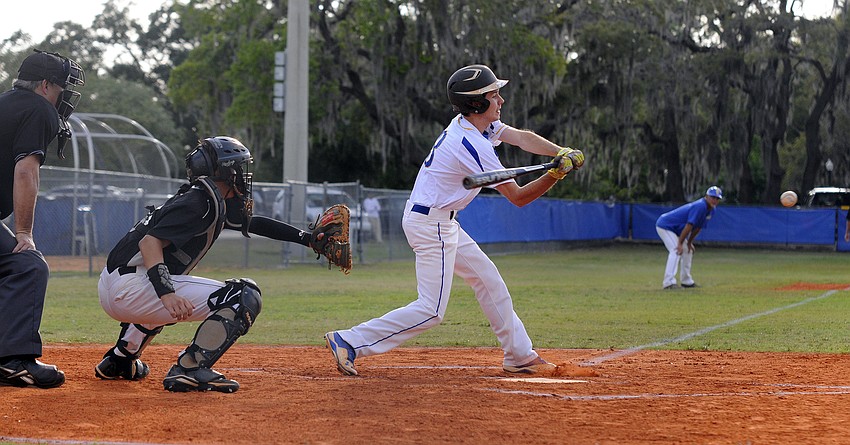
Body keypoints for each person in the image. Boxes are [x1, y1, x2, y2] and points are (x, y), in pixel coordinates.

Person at [323, 64, 584, 376]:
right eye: (494, 96)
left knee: (489, 281)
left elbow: (520, 138)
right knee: (431, 310)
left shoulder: (475, 125)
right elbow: (518, 197)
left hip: (441, 222)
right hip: (430, 225)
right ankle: (350, 341)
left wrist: (560, 152)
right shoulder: (471, 144)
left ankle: (518, 355)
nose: (501, 100)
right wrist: (555, 175)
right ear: (477, 103)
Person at [94, 136, 340, 393]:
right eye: (238, 168)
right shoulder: (198, 203)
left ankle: (120, 359)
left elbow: (253, 223)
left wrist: (307, 239)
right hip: (129, 288)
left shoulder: (206, 198)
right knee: (243, 296)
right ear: (225, 171)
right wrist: (166, 293)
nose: (242, 174)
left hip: (117, 284)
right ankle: (190, 368)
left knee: (170, 289)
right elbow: (149, 243)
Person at [0, 50, 85, 389]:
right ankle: (14, 361)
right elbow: (26, 171)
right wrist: (24, 232)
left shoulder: (6, 102)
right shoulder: (39, 108)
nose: (64, 96)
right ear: (46, 85)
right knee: (27, 265)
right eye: (62, 87)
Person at [655, 186, 723, 289]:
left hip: (676, 230)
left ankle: (686, 281)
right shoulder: (700, 206)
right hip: (665, 225)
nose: (715, 200)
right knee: (676, 250)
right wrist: (679, 244)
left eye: (717, 198)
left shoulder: (712, 210)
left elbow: (698, 227)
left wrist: (689, 243)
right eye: (713, 197)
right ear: (706, 196)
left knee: (688, 250)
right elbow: (689, 225)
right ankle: (668, 283)